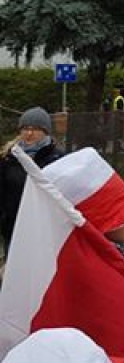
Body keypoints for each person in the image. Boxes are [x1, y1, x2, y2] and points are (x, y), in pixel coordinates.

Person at [0, 107, 63, 258]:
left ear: (46, 131)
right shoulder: (8, 157)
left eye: (35, 129)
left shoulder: (57, 158)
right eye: (25, 129)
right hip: (13, 228)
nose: (29, 133)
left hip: (44, 229)